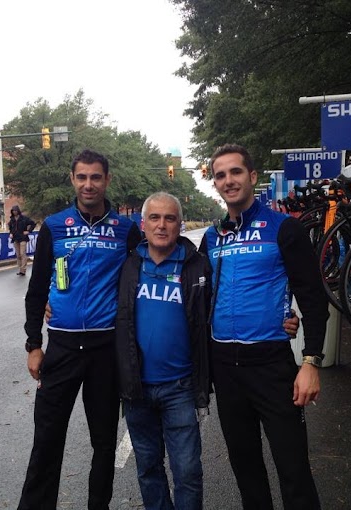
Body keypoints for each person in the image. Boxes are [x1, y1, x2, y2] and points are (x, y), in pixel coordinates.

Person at [200, 144, 328, 510]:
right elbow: (192, 292)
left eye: (236, 172)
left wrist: (311, 361)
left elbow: (313, 297)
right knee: (246, 469)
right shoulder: (212, 236)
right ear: (216, 183)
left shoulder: (283, 228)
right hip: (225, 367)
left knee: (293, 470)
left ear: (252, 177)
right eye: (221, 175)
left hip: (271, 365)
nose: (229, 180)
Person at [18, 149, 142, 510]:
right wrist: (33, 344)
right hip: (63, 349)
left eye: (96, 177)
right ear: (72, 179)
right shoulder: (55, 226)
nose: (89, 184)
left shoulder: (126, 230)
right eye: (82, 177)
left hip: (106, 350)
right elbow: (37, 288)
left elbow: (141, 283)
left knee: (103, 443)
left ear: (107, 180)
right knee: (47, 439)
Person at [115, 192, 211, 509]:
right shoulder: (128, 265)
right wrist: (53, 303)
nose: (161, 225)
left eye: (169, 218)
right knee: (148, 470)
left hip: (180, 388)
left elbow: (223, 308)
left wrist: (285, 319)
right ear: (143, 225)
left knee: (187, 472)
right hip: (136, 389)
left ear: (179, 225)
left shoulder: (197, 266)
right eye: (154, 218)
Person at [8, 205, 36, 276]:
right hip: (15, 238)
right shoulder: (12, 219)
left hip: (23, 237)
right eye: (13, 211)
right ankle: (20, 268)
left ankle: (23, 270)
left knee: (22, 253)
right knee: (18, 255)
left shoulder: (24, 218)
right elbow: (10, 227)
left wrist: (28, 231)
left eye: (15, 211)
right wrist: (11, 233)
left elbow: (33, 223)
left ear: (18, 211)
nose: (14, 212)